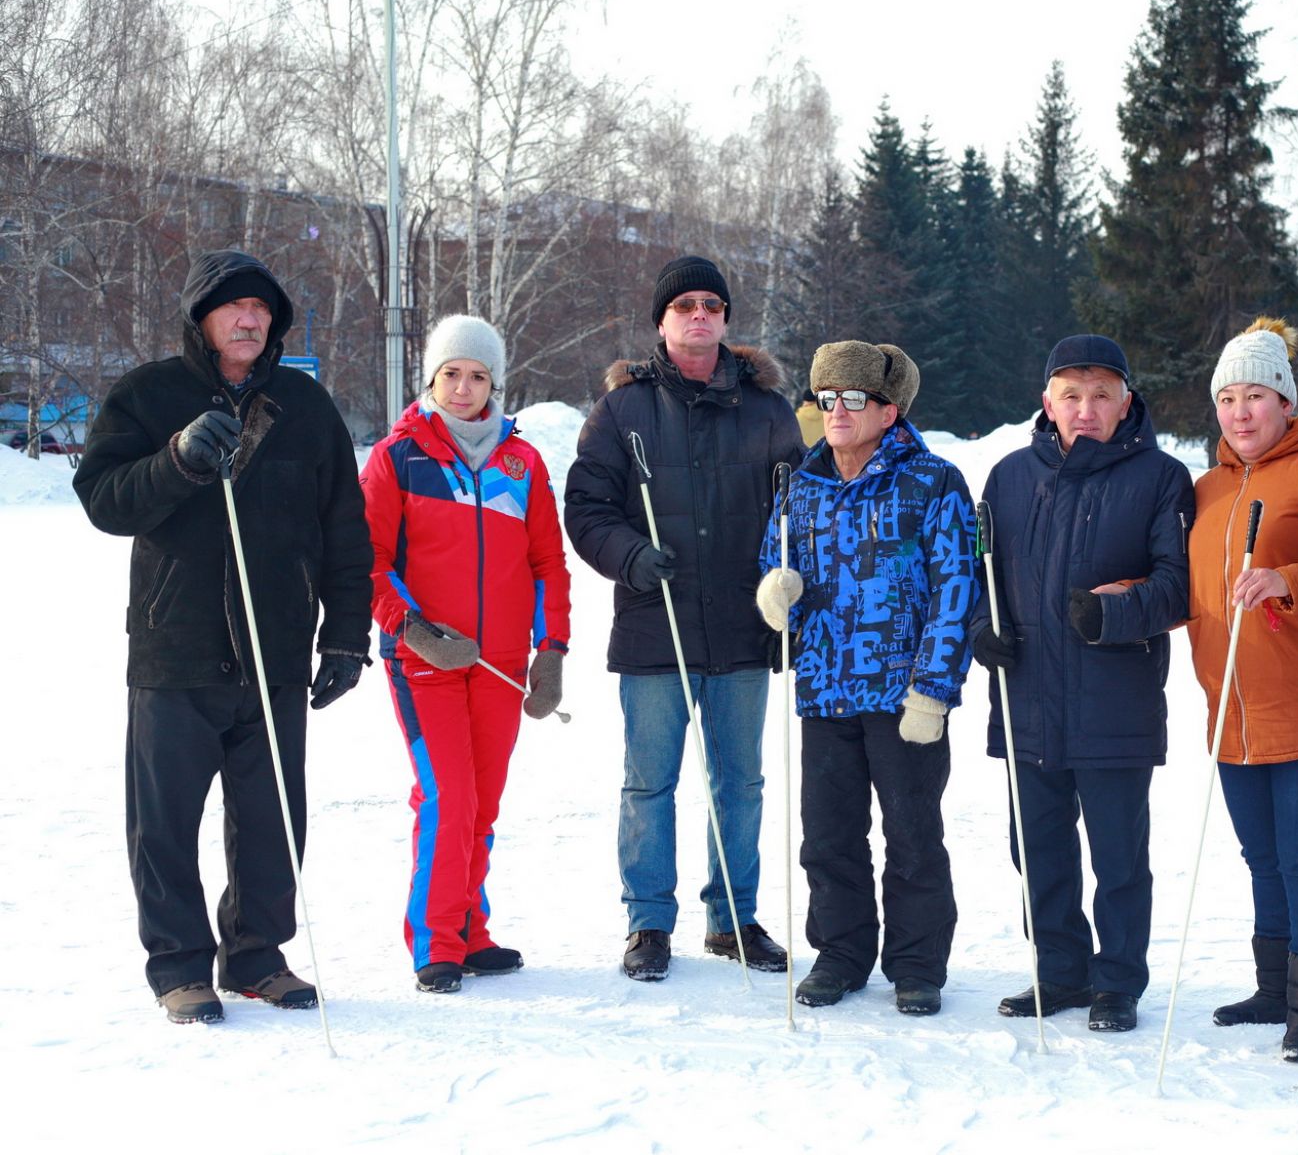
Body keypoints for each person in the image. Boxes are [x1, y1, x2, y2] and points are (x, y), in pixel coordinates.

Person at [73, 250, 373, 1024]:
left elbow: (345, 530)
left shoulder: (305, 406)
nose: (250, 318)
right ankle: (179, 966)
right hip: (176, 648)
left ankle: (256, 955)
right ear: (201, 317)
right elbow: (105, 499)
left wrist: (343, 639)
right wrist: (175, 461)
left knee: (274, 817)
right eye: (234, 307)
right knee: (165, 821)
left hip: (275, 649)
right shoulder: (148, 394)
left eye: (263, 309)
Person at [564, 255, 804, 981]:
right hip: (654, 625)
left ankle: (733, 917)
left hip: (741, 627)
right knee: (649, 782)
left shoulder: (767, 411)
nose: (699, 314)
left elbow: (800, 513)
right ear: (662, 321)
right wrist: (632, 555)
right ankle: (648, 922)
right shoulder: (622, 411)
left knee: (741, 781)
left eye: (712, 304)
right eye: (684, 305)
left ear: (726, 318)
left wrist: (786, 587)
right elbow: (586, 507)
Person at [969, 335, 1191, 1034]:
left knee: (1118, 855)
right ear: (1047, 403)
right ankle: (1061, 970)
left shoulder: (1161, 478)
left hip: (1114, 704)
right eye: (1072, 395)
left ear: (1126, 401)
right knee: (1036, 850)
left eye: (1101, 395)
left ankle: (1118, 981)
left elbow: (1177, 589)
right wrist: (983, 628)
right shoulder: (1006, 477)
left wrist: (1112, 612)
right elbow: (981, 576)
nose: (1086, 409)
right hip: (1028, 698)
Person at [755, 341, 978, 1017]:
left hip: (903, 695)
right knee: (827, 834)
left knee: (912, 833)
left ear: (889, 409)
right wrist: (777, 588)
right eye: (827, 398)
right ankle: (841, 952)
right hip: (824, 688)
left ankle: (917, 963)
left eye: (854, 398)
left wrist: (934, 689)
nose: (838, 411)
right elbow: (776, 555)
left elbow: (957, 588)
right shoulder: (801, 484)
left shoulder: (932, 481)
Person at [360, 315, 572, 994]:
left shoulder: (522, 462)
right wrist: (413, 628)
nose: (463, 386)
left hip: (501, 663)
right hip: (426, 661)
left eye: (477, 375)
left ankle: (470, 929)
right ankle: (436, 940)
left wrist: (553, 650)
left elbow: (548, 564)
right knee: (448, 796)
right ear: (431, 376)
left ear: (495, 383)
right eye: (451, 372)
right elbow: (368, 561)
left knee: (482, 802)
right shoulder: (398, 457)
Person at [1187, 318, 1298, 1064]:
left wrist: (1289, 581)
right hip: (1232, 710)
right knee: (1261, 856)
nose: (1239, 411)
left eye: (1254, 394)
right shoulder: (1206, 487)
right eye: (1227, 397)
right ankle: (1273, 987)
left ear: (1285, 401)